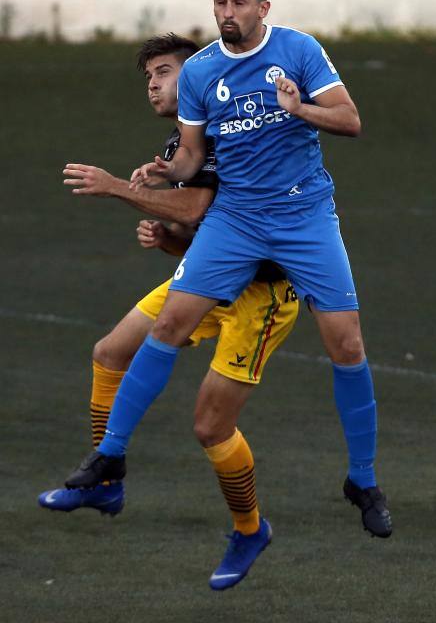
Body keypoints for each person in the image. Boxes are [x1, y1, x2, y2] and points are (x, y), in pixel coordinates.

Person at [65, 0, 393, 591]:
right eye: (220, 2)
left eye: (240, 1)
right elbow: (190, 157)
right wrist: (165, 175)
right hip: (237, 221)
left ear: (263, 7)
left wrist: (301, 110)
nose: (228, 12)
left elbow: (350, 120)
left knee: (347, 345)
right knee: (162, 327)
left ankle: (364, 480)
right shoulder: (202, 73)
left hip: (303, 218)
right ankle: (108, 458)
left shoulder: (297, 50)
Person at [38, 34, 299, 571]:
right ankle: (106, 481)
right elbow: (199, 224)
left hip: (262, 294)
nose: (152, 84)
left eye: (162, 72)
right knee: (110, 352)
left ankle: (250, 530)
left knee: (210, 427)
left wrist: (117, 187)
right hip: (207, 277)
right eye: (147, 77)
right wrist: (170, 240)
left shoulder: (231, 130)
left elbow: (197, 202)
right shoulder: (179, 148)